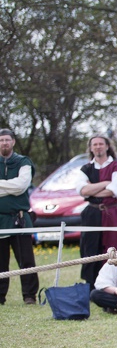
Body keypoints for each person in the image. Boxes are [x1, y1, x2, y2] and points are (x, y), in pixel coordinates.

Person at [75, 135, 117, 290]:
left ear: (107, 146)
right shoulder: (86, 169)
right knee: (90, 249)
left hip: (113, 214)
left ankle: (113, 286)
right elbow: (82, 190)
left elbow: (115, 190)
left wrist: (92, 190)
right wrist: (104, 183)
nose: (98, 147)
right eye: (94, 144)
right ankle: (91, 286)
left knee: (115, 249)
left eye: (101, 144)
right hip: (92, 214)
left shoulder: (116, 166)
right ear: (91, 148)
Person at [0, 128, 39, 305]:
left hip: (20, 218)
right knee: (0, 261)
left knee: (26, 260)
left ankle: (29, 295)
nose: (4, 143)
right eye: (1, 140)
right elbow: (14, 187)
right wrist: (10, 187)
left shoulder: (23, 162)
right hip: (0, 219)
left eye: (7, 140)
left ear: (13, 142)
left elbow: (21, 186)